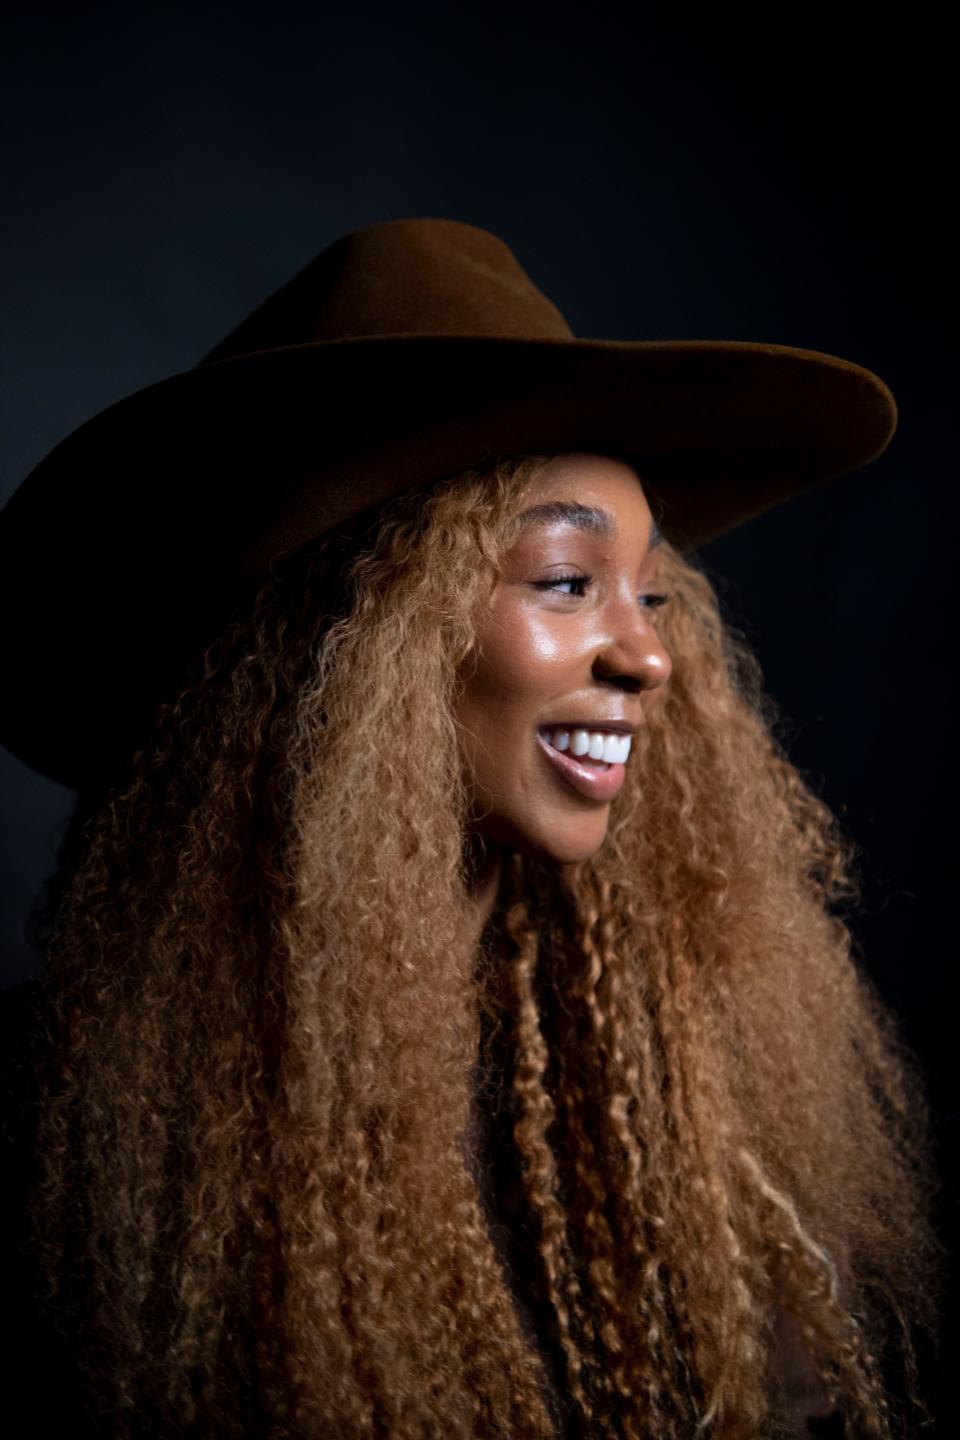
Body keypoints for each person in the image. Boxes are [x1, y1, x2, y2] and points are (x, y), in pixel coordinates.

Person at [0, 218, 944, 1439]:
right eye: (565, 581)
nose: (650, 653)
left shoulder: (666, 1099)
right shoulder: (63, 1135)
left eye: (652, 591)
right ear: (357, 651)